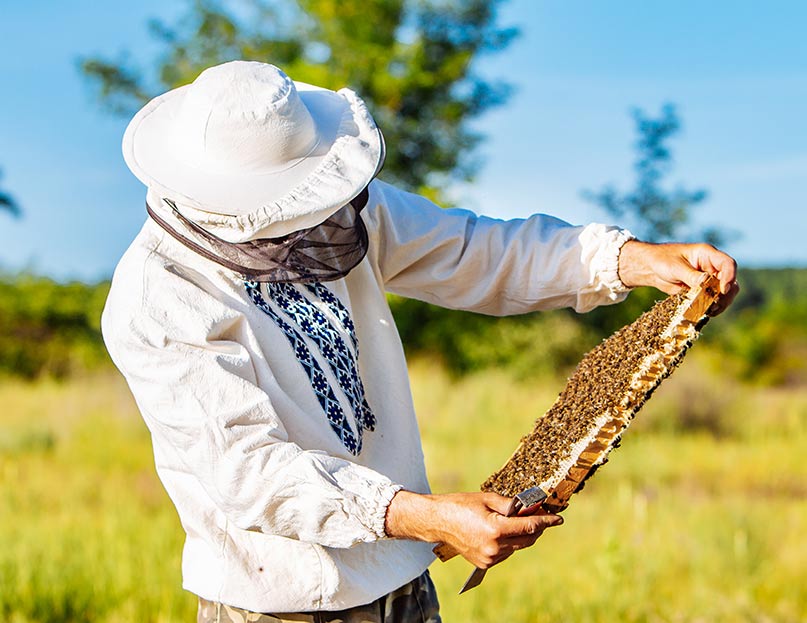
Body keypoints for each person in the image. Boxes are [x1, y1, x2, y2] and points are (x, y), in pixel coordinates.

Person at [102, 60, 738, 623]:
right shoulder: (157, 299)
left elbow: (474, 251)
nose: (318, 221)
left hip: (402, 582)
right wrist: (427, 517)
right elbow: (250, 473)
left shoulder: (344, 213)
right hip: (280, 605)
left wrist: (630, 259)